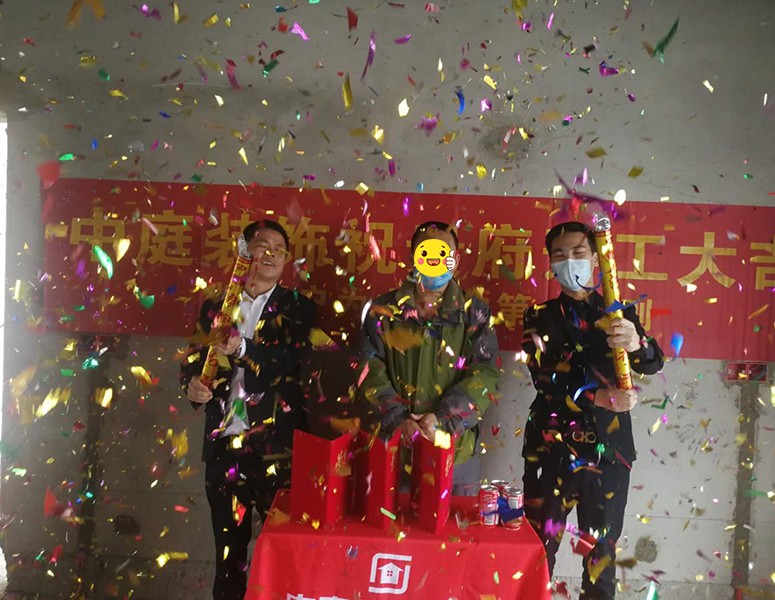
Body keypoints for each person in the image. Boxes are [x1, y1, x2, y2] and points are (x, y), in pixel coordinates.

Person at [521, 221, 664, 599]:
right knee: (538, 551)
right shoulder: (539, 315)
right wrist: (595, 397)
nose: (569, 261)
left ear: (596, 259)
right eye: (559, 255)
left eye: (578, 253)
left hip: (609, 452)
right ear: (550, 263)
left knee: (601, 557)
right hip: (551, 449)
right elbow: (544, 377)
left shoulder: (619, 312)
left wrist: (636, 343)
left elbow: (653, 362)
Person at [180, 220, 315, 600]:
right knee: (229, 558)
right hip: (224, 446)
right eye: (261, 244)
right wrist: (193, 387)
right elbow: (193, 362)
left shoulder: (298, 307)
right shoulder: (215, 306)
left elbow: (289, 362)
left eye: (279, 248)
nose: (270, 253)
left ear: (286, 260)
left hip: (277, 451)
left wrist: (242, 348)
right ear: (244, 251)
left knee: (286, 553)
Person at [356, 221, 500, 495]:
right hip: (395, 449)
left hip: (455, 453)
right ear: (413, 257)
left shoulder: (475, 313)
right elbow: (368, 369)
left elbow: (485, 374)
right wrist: (399, 419)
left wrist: (443, 419)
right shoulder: (382, 310)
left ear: (456, 260)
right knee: (390, 519)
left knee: (454, 520)